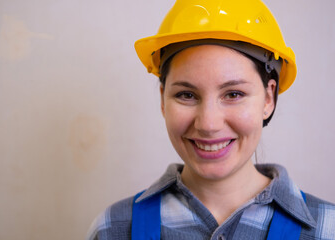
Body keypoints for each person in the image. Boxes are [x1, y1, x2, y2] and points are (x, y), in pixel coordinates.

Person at [86, 0, 335, 239]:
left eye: (234, 94)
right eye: (186, 95)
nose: (208, 124)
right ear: (163, 99)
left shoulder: (327, 230)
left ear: (268, 98)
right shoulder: (113, 229)